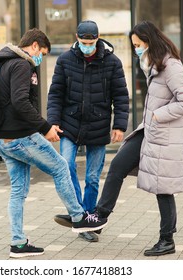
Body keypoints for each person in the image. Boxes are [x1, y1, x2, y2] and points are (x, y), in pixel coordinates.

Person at [0, 28, 108, 258]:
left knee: (18, 191)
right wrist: (45, 128)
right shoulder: (22, 65)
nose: (40, 58)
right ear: (34, 45)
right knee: (61, 167)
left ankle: (18, 243)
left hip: (3, 140)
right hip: (22, 137)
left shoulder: (4, 64)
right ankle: (78, 217)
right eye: (42, 52)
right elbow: (21, 102)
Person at [94, 21, 183, 256]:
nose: (136, 49)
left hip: (165, 135)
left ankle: (167, 239)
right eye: (134, 45)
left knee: (163, 187)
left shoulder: (171, 66)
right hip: (149, 131)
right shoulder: (156, 65)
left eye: (138, 45)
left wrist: (158, 115)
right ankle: (100, 217)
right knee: (118, 165)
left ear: (150, 42)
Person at [47, 20, 129, 242]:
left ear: (98, 38)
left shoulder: (112, 62)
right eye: (83, 42)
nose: (87, 46)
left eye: (91, 42)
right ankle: (79, 214)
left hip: (98, 124)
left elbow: (120, 96)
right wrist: (52, 122)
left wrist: (119, 125)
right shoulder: (65, 60)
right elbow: (55, 94)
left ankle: (88, 217)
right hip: (69, 124)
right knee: (66, 166)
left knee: (93, 177)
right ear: (77, 38)